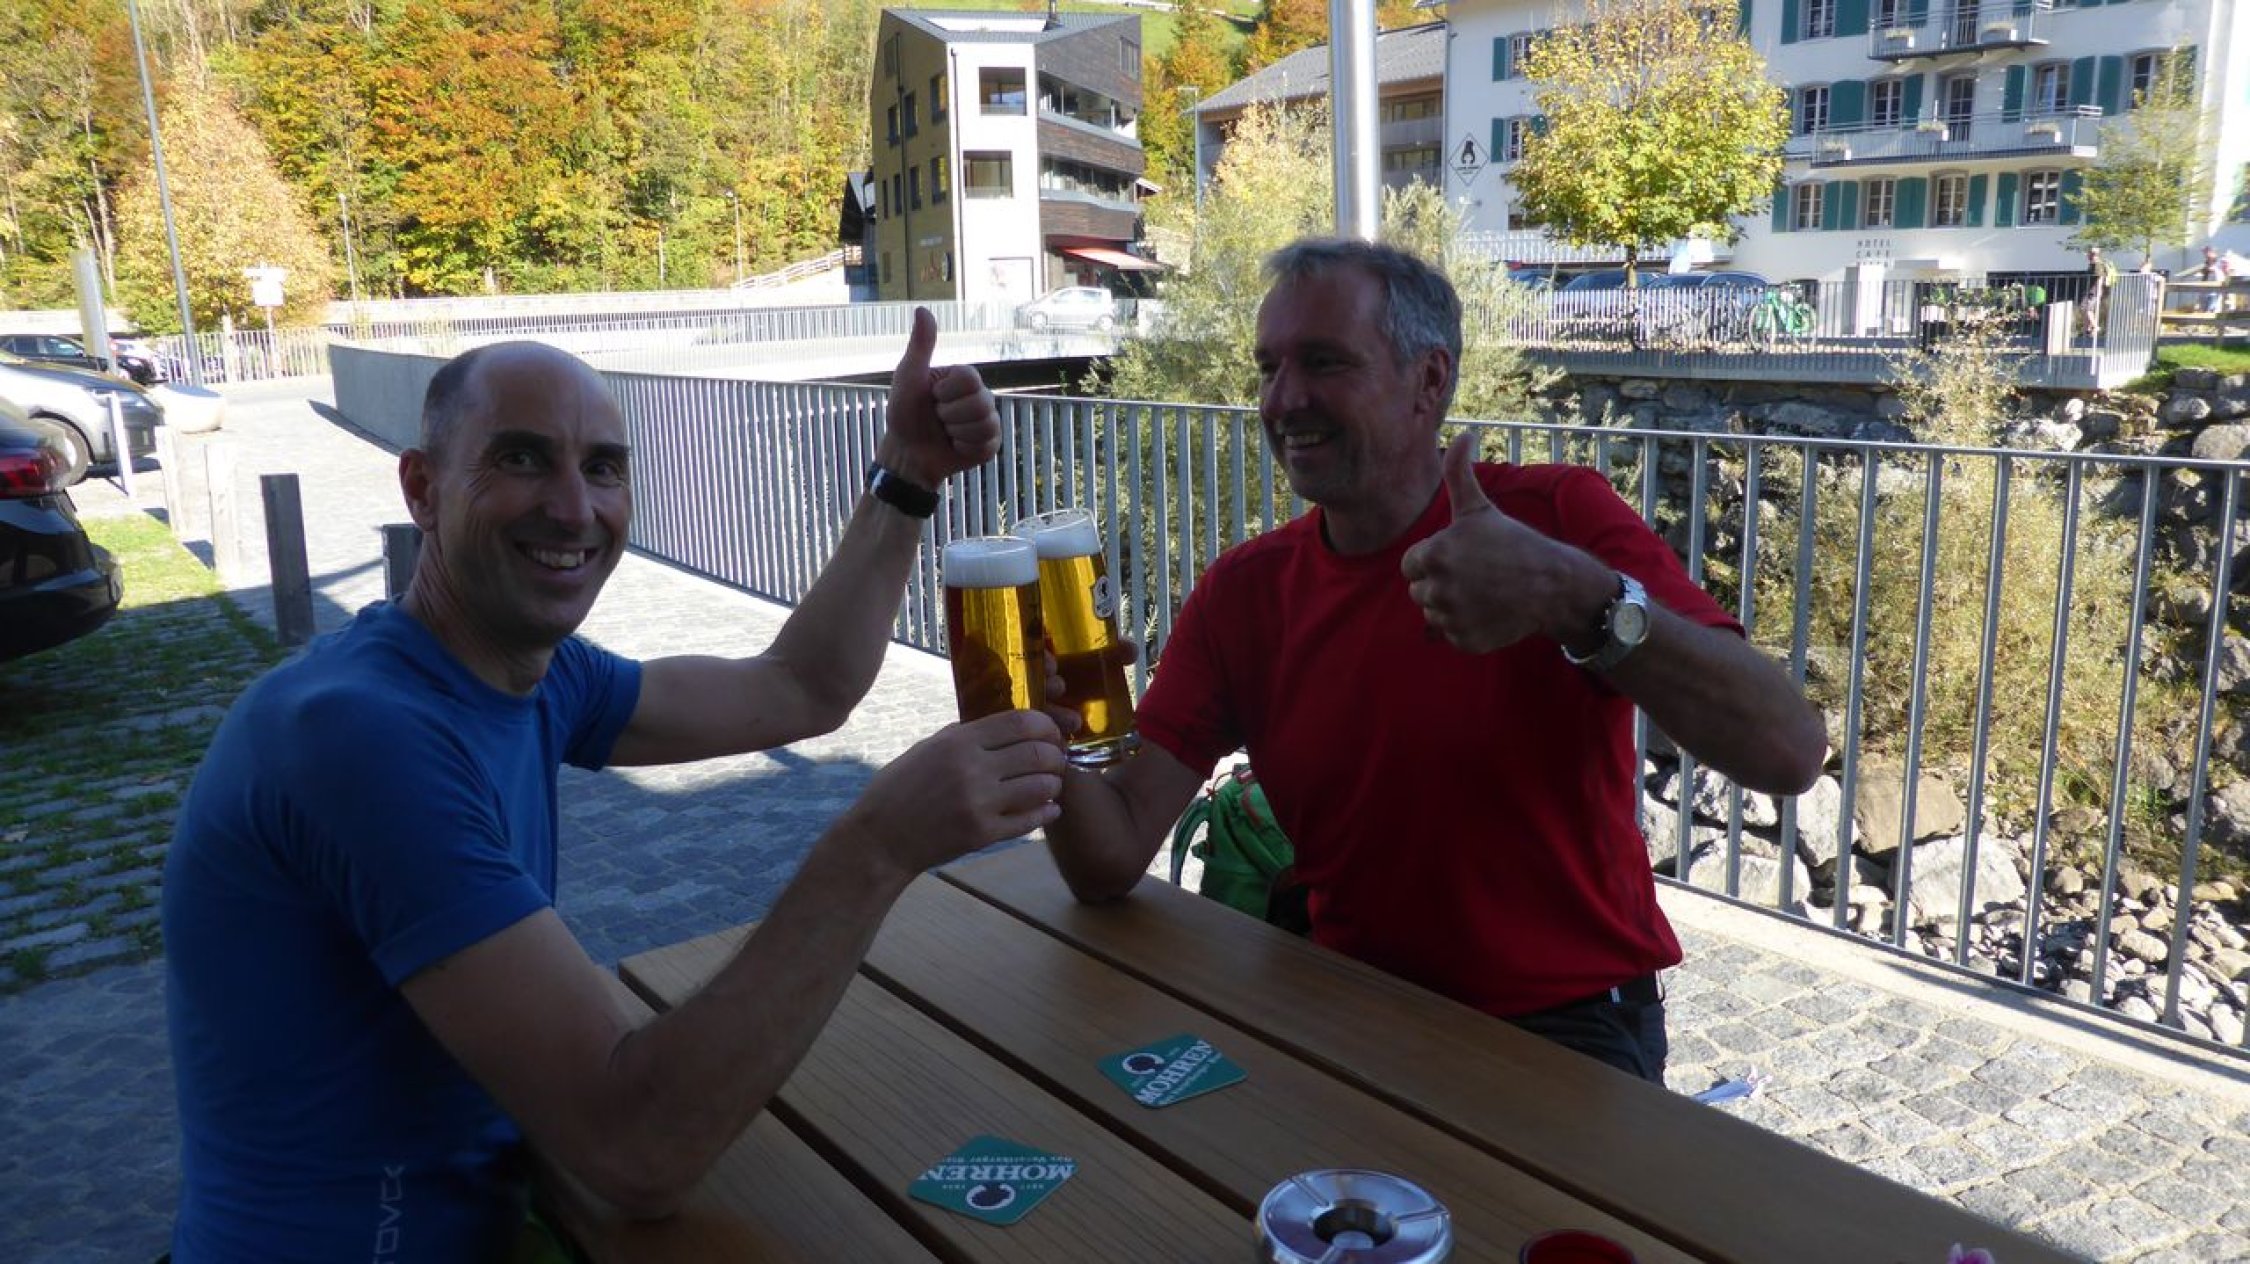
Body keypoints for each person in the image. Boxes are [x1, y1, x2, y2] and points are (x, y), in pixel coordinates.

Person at [160, 318, 1070, 1261]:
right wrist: (877, 846)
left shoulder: (533, 672)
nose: (573, 508)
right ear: (422, 490)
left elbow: (803, 685)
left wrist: (907, 478)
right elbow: (638, 1150)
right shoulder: (359, 736)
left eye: (602, 468)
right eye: (522, 459)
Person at [1041, 239, 1826, 1084]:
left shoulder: (1553, 520)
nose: (1283, 399)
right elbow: (1108, 856)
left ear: (1430, 380)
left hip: (1563, 1025)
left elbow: (1789, 752)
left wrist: (1578, 598)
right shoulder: (1246, 592)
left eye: (1324, 362)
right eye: (1269, 367)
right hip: (1346, 1002)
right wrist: (1038, 725)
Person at [2081, 246, 2116, 339]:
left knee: (2086, 308)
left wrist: (2099, 290)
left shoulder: (2097, 264)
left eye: (2089, 254)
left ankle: (2095, 326)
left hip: (2093, 291)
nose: (2088, 256)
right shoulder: (2093, 264)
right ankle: (2088, 329)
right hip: (2091, 290)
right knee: (2087, 308)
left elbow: (2100, 277)